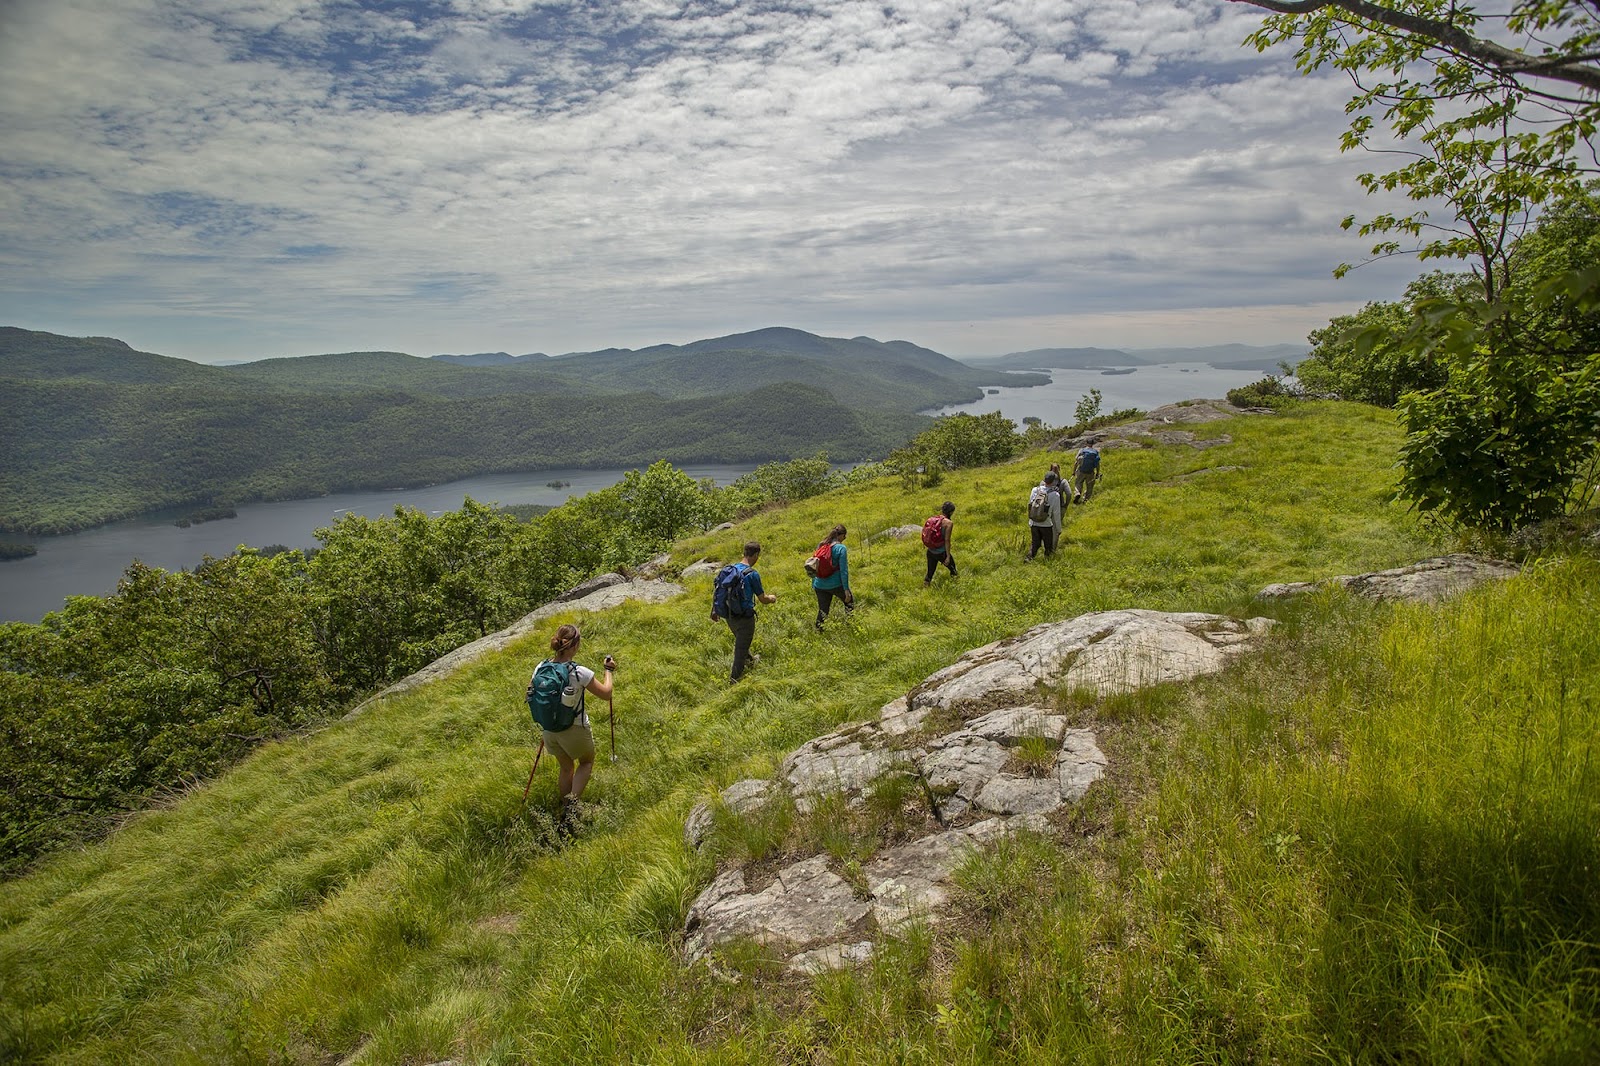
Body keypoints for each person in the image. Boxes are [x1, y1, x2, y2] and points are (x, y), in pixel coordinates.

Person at [532, 623, 615, 805]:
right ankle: (572, 806)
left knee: (566, 767)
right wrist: (608, 671)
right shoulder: (579, 672)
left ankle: (564, 807)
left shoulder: (540, 667)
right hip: (574, 728)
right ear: (575, 645)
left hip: (549, 731)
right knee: (586, 762)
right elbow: (606, 694)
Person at [713, 540, 776, 682]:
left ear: (744, 552)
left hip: (729, 615)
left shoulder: (730, 570)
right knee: (740, 650)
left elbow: (718, 591)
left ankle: (751, 661)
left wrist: (715, 611)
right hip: (745, 618)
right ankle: (734, 680)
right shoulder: (752, 574)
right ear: (756, 555)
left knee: (742, 642)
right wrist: (772, 598)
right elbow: (763, 599)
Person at [810, 523, 853, 630]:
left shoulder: (821, 545)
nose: (844, 538)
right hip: (836, 584)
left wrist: (814, 583)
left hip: (819, 585)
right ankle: (851, 627)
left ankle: (818, 632)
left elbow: (814, 565)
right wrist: (846, 589)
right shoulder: (841, 548)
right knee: (849, 603)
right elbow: (843, 571)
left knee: (823, 611)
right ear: (841, 535)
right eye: (844, 536)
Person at [1026, 472, 1062, 561]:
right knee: (1048, 546)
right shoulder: (1055, 495)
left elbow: (1031, 505)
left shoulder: (1035, 490)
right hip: (1046, 524)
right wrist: (1058, 529)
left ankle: (1028, 559)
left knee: (1035, 544)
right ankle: (1047, 563)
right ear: (1054, 481)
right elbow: (1056, 514)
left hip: (1034, 523)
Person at [922, 501, 957, 587]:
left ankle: (924, 589)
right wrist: (947, 556)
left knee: (930, 573)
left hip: (930, 551)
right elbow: (947, 540)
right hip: (941, 552)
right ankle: (955, 586)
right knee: (953, 570)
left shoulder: (933, 519)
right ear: (951, 512)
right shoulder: (949, 523)